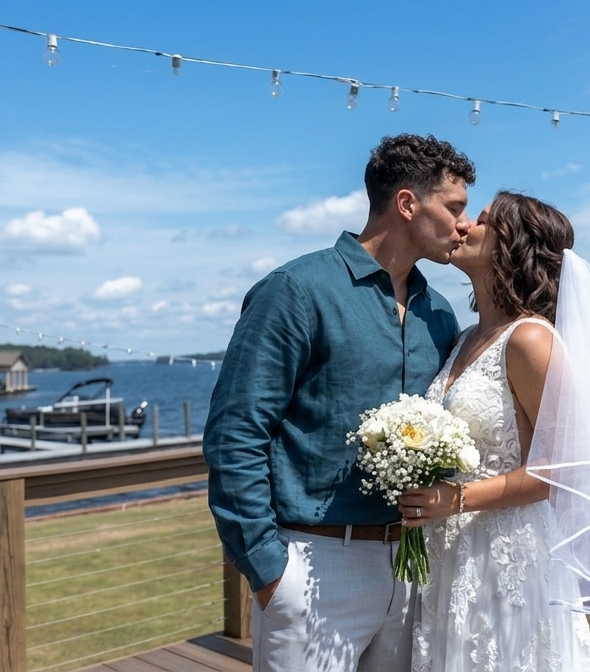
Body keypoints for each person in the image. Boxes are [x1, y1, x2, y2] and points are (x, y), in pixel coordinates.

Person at [203, 134, 474, 672]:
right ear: (406, 203)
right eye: (455, 207)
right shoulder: (295, 290)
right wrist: (269, 572)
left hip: (414, 566)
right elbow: (236, 432)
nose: (463, 224)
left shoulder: (439, 313)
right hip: (314, 566)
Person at [397, 191, 590, 671]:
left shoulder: (531, 340)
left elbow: (566, 470)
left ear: (511, 245)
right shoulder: (462, 341)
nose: (464, 226)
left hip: (505, 558)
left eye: (483, 221)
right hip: (450, 555)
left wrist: (455, 499)